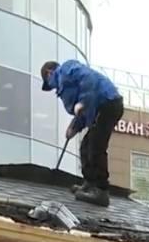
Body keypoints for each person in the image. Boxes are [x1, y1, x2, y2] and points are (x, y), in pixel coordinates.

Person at [40, 59, 123, 207]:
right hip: (100, 108)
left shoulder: (66, 69)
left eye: (50, 84)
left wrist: (83, 101)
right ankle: (90, 182)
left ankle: (101, 191)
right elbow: (82, 113)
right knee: (85, 146)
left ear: (49, 73)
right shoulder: (64, 80)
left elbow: (88, 78)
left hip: (108, 104)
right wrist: (74, 127)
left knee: (96, 147)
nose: (53, 88)